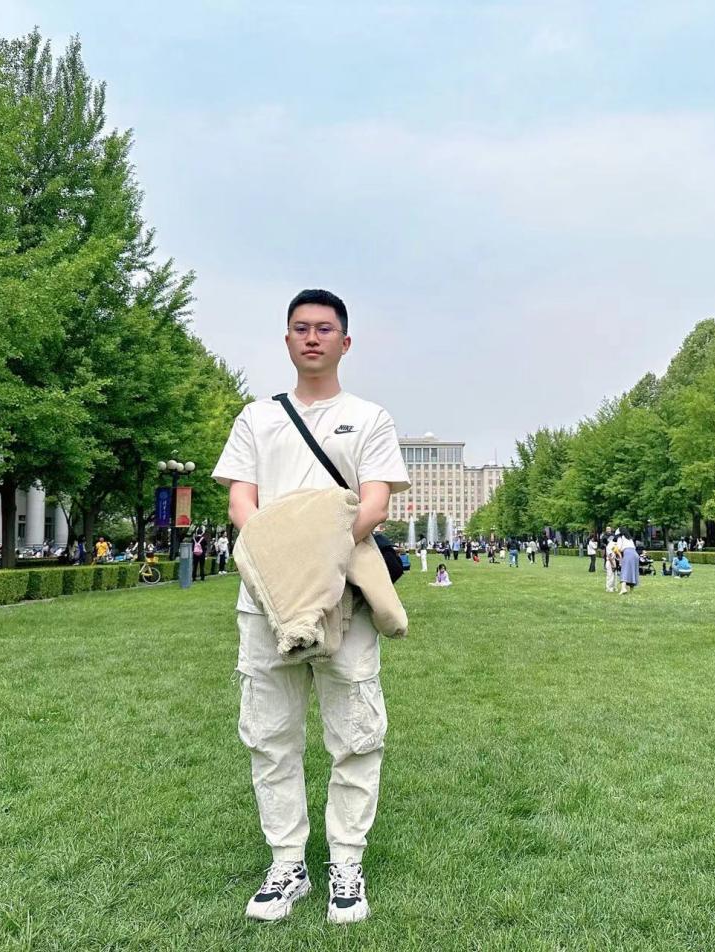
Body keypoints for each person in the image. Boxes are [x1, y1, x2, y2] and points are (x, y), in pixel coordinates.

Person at [211, 289, 411, 925]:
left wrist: (319, 558)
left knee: (355, 732)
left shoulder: (369, 418)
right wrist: (282, 562)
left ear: (345, 343)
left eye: (325, 329)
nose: (312, 338)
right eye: (301, 328)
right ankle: (287, 863)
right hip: (268, 599)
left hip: (342, 596)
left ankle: (346, 863)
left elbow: (374, 503)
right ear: (287, 340)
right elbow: (241, 502)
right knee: (270, 734)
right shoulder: (256, 419)